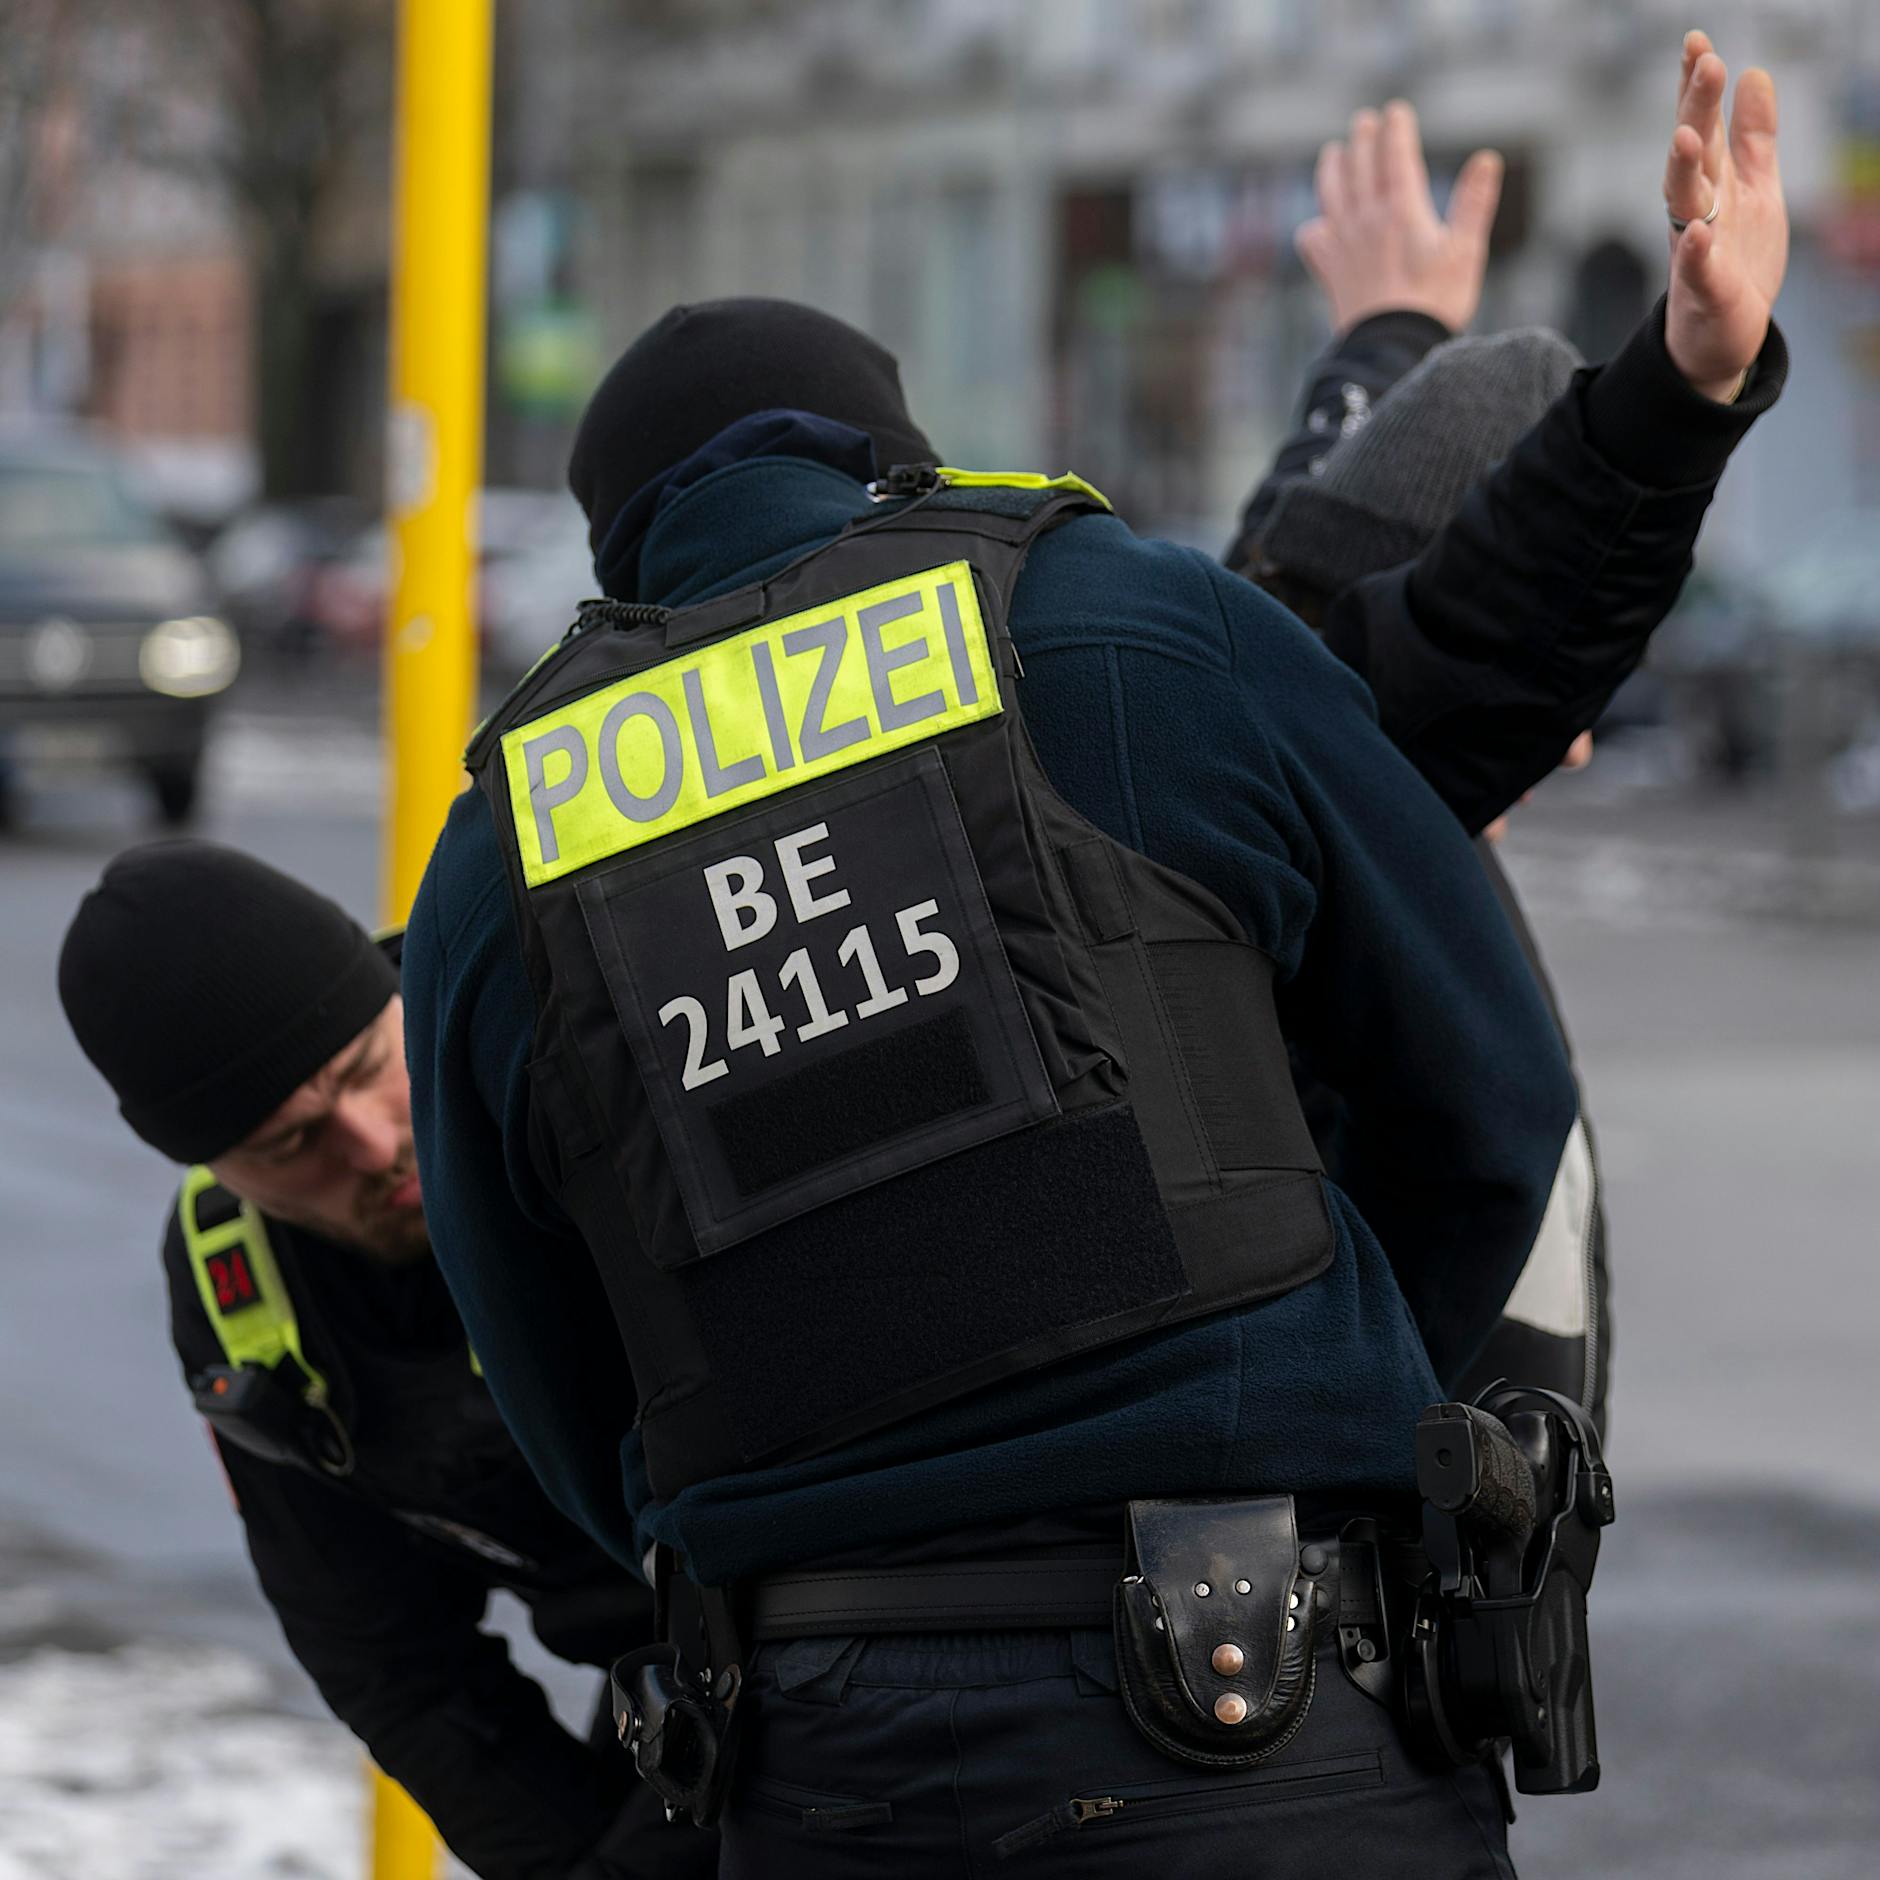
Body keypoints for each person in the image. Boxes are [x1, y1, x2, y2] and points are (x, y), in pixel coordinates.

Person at [405, 279, 1589, 1873]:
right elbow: (1492, 1097)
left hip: (819, 1766)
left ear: (625, 555)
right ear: (888, 465)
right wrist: (1317, 1392)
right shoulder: (1121, 618)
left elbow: (556, 1386)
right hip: (1261, 1709)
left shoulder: (502, 854)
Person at [1227, 34, 1788, 1424]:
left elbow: (1292, 576)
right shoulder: (1325, 875)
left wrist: (1388, 343)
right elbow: (1366, 629)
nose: (1570, 734)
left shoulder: (1254, 775)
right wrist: (1672, 396)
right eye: (1560, 684)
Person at [55, 842, 717, 1880]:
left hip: (874, 1599)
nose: (369, 1146)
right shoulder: (245, 1299)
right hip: (673, 1684)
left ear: (394, 995)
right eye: (292, 1142)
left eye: (368, 1070)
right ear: (216, 1168)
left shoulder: (578, 1062)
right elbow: (394, 1665)